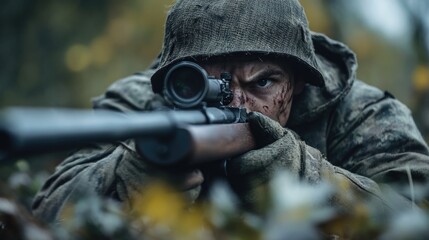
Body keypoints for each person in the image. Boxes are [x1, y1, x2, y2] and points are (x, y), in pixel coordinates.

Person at [33, 0, 429, 224]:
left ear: (302, 81)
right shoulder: (139, 105)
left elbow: (414, 220)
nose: (233, 103)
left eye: (262, 83)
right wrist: (124, 176)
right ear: (173, 77)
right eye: (201, 83)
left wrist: (303, 174)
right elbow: (44, 213)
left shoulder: (360, 113)